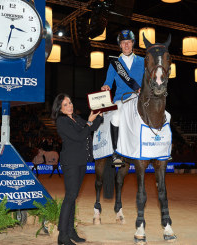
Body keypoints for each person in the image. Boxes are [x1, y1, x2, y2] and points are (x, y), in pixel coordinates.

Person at [51, 93, 102, 245]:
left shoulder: (76, 118)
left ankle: (71, 230)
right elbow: (80, 136)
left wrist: (99, 114)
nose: (70, 106)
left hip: (81, 162)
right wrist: (89, 123)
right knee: (70, 197)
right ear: (59, 107)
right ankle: (62, 235)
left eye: (70, 102)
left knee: (73, 197)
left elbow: (92, 127)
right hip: (71, 163)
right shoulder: (62, 121)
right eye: (66, 104)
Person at [101, 30, 145, 165]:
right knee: (115, 117)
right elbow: (108, 81)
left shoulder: (143, 61)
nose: (126, 45)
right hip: (121, 98)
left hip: (138, 98)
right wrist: (106, 86)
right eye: (123, 43)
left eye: (129, 42)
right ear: (120, 45)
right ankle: (116, 152)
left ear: (133, 44)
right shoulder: (115, 63)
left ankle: (158, 149)